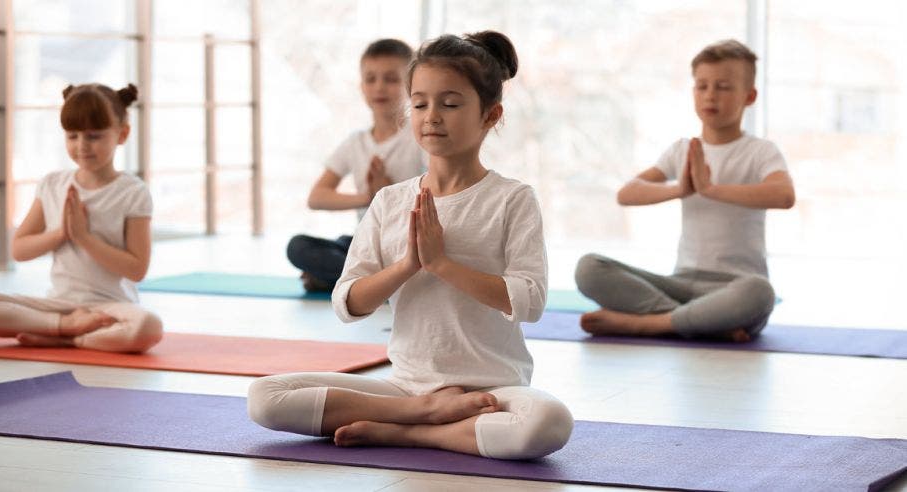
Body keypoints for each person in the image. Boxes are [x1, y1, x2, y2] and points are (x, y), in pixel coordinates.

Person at [249, 31, 573, 459]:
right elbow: (347, 303)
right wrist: (407, 265)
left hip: (494, 389)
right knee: (265, 396)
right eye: (420, 103)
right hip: (404, 386)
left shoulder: (513, 198)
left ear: (490, 115)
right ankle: (423, 412)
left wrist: (442, 265)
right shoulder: (390, 201)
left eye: (450, 104)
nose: (431, 116)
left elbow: (529, 302)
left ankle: (412, 432)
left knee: (548, 423)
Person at [575, 39, 795, 342]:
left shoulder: (760, 152)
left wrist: (711, 189)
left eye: (723, 87)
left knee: (761, 293)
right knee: (589, 268)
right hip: (680, 284)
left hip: (735, 287)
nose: (710, 95)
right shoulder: (682, 150)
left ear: (750, 96)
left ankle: (645, 324)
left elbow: (783, 195)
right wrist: (681, 188)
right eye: (701, 86)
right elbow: (627, 193)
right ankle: (701, 323)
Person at [0, 83, 162, 353]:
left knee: (148, 327)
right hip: (60, 304)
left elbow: (136, 269)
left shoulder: (133, 192)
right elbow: (19, 249)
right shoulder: (52, 185)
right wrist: (60, 234)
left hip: (112, 308)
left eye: (94, 136)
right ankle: (64, 324)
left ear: (122, 134)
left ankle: (66, 337)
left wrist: (84, 237)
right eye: (72, 136)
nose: (82, 146)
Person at [287, 38, 427, 292]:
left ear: (411, 85)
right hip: (366, 245)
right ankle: (377, 282)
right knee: (298, 247)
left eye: (391, 79)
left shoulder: (421, 138)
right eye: (370, 79)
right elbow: (317, 198)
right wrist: (369, 197)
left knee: (417, 259)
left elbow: (441, 196)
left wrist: (390, 195)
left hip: (405, 246)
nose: (379, 87)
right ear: (361, 86)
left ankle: (355, 281)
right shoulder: (356, 142)